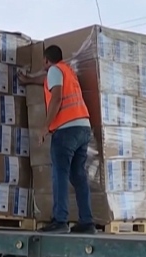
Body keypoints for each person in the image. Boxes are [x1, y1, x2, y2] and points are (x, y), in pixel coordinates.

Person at [19, 44, 95, 234]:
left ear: (46, 60)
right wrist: (29, 80)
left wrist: (45, 126)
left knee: (60, 174)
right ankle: (87, 222)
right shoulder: (66, 70)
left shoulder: (54, 71)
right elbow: (45, 79)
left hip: (66, 130)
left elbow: (57, 97)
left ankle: (60, 220)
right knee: (78, 175)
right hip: (83, 127)